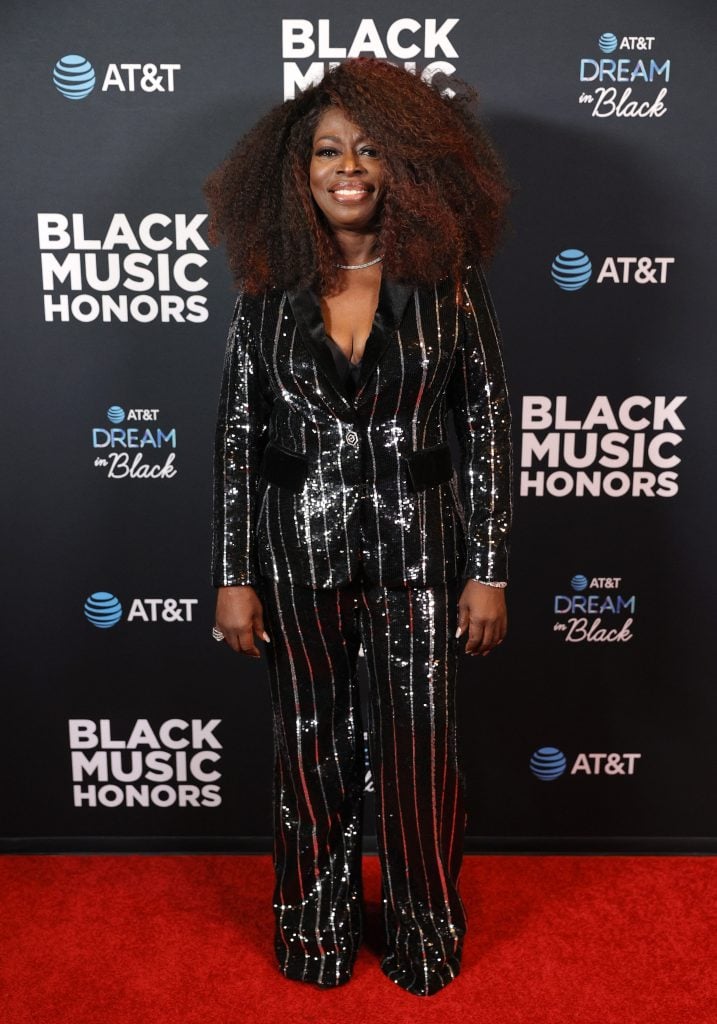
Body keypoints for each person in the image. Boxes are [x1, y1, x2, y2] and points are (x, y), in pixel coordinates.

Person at [203, 56, 514, 997]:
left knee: (420, 755)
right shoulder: (265, 289)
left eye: (370, 149)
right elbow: (233, 442)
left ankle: (424, 939)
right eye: (329, 151)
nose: (349, 167)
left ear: (407, 167)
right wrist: (234, 572)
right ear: (295, 172)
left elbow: (490, 427)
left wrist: (488, 567)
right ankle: (314, 936)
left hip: (423, 554)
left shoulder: (447, 281)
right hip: (294, 554)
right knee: (309, 747)